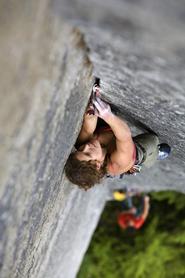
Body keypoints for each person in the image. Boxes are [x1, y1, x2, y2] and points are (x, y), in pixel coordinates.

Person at [65, 84, 171, 190]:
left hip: (108, 134)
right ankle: (156, 153)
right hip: (131, 152)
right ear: (97, 165)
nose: (86, 146)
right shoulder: (118, 163)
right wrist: (108, 116)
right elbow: (125, 137)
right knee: (153, 140)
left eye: (81, 150)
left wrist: (94, 103)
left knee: (105, 125)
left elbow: (88, 124)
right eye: (88, 153)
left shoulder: (82, 146)